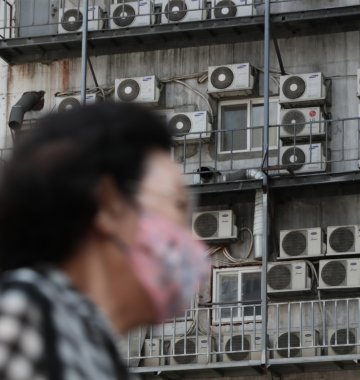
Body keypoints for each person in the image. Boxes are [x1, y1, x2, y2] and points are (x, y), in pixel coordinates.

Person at [0, 103, 209, 379]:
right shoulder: (24, 316)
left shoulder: (90, 346)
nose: (193, 239)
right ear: (109, 205)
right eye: (179, 206)